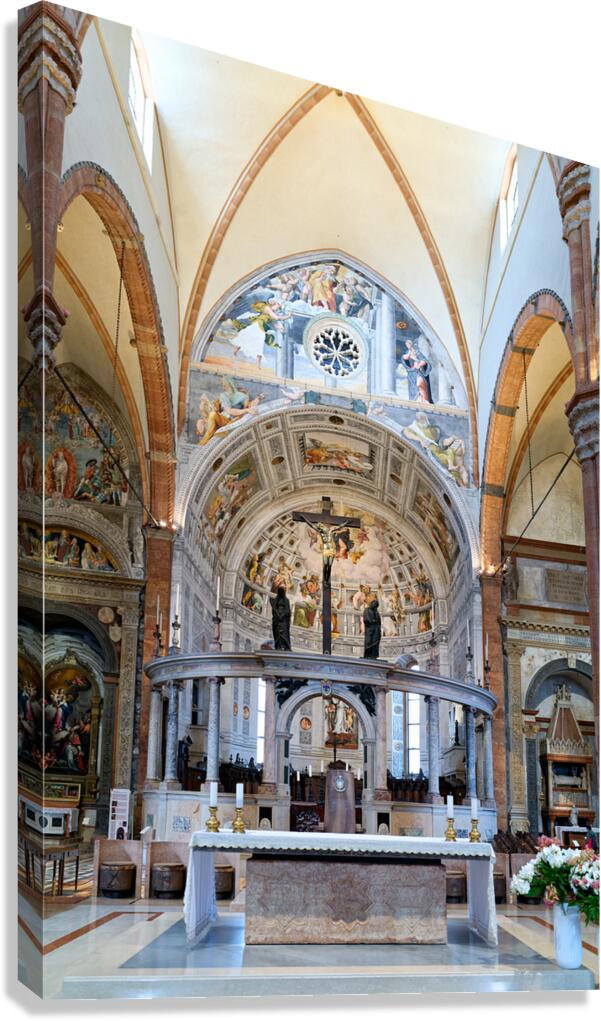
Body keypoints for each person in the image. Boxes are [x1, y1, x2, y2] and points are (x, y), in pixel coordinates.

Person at [270, 586, 292, 651]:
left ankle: (286, 647)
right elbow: (274, 608)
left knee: (284, 633)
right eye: (279, 591)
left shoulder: (286, 600)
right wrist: (277, 614)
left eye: (282, 591)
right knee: (277, 633)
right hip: (277, 619)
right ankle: (278, 646)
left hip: (283, 620)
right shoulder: (276, 599)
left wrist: (282, 615)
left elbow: (287, 610)